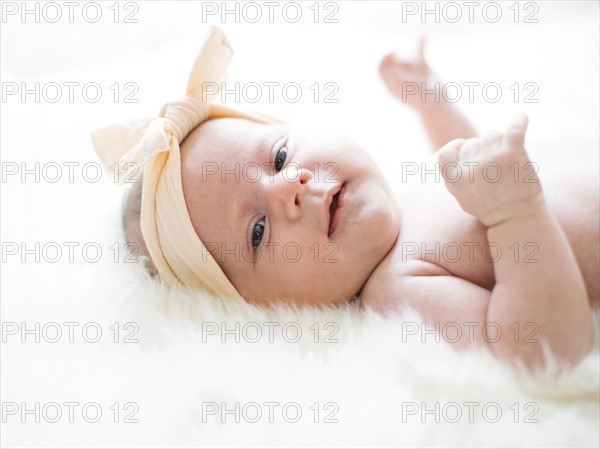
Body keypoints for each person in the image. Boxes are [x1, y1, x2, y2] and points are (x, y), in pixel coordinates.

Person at [94, 27, 598, 368]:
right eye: (258, 231)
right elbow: (542, 352)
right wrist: (517, 214)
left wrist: (429, 100)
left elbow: (464, 166)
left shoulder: (398, 212)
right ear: (260, 306)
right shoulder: (396, 288)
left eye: (278, 157)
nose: (289, 187)